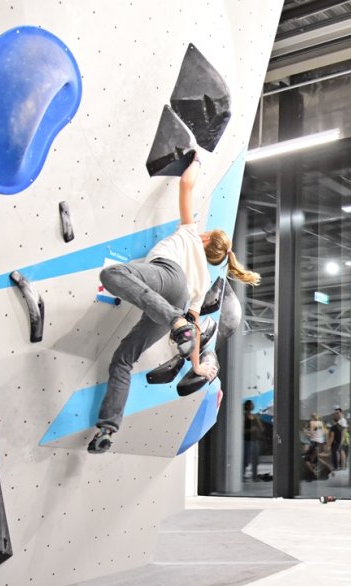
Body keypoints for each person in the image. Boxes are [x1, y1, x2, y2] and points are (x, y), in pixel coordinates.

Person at [88, 155, 260, 453]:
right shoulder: (204, 279)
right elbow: (194, 325)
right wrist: (195, 364)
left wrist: (196, 161)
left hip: (167, 276)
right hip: (178, 304)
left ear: (206, 239)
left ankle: (172, 321)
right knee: (124, 359)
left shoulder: (191, 233)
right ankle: (107, 428)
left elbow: (186, 185)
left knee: (113, 274)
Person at [243, 400, 263, 482]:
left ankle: (255, 476)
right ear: (246, 406)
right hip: (246, 440)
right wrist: (251, 430)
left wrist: (258, 422)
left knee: (255, 459)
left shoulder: (254, 416)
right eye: (250, 405)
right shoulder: (243, 416)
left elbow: (261, 428)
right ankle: (242, 475)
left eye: (252, 405)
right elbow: (242, 430)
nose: (251, 406)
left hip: (255, 440)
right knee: (245, 458)